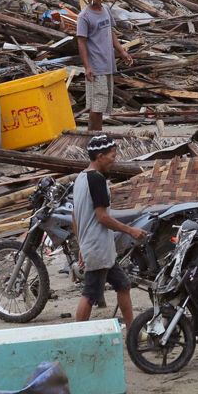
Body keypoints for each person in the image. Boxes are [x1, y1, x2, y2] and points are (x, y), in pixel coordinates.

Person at [74, 134, 147, 324]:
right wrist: (130, 230)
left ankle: (133, 331)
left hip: (97, 246)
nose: (114, 160)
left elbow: (75, 216)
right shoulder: (96, 180)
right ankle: (77, 336)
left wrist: (81, 245)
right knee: (90, 295)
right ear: (100, 156)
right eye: (112, 156)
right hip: (98, 246)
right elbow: (102, 217)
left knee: (123, 285)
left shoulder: (80, 178)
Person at [76, 0, 132, 131]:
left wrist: (122, 51)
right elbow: (81, 42)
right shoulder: (84, 17)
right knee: (96, 105)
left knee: (102, 105)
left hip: (108, 64)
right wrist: (87, 67)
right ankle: (94, 135)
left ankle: (94, 134)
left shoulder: (106, 10)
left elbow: (111, 32)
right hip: (95, 67)